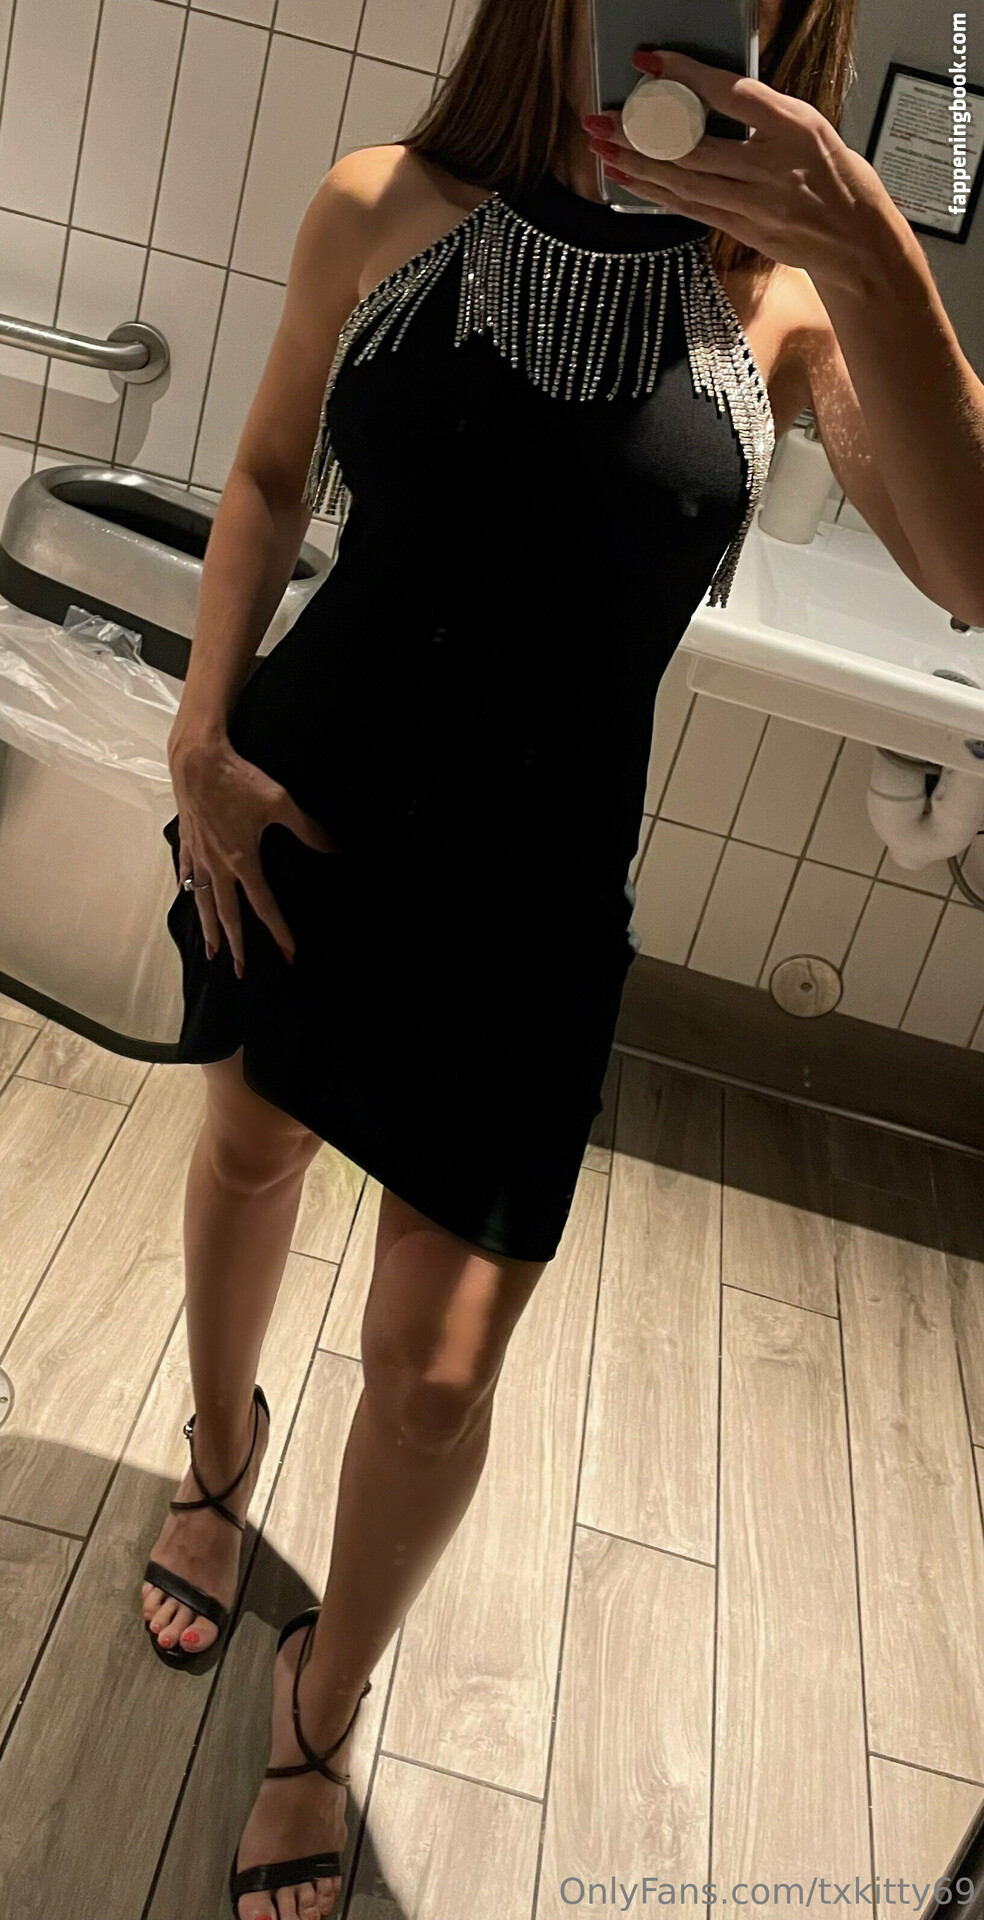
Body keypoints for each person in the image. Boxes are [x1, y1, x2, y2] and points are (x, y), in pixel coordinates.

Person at [144, 0, 984, 1914]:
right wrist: (198, 735)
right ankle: (214, 1460)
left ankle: (321, 1702)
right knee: (248, 1149)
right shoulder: (383, 204)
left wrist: (867, 236)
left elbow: (972, 569)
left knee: (437, 1374)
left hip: (530, 903)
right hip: (302, 807)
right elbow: (266, 477)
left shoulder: (785, 309)